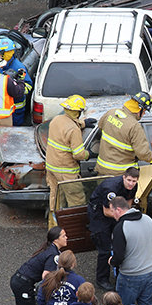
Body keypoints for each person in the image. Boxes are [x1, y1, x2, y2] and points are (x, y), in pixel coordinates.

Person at [109, 196, 152, 305]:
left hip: (131, 275)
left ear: (118, 210)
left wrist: (111, 261)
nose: (112, 215)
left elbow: (119, 257)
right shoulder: (148, 219)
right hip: (151, 271)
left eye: (112, 211)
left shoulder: (120, 228)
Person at [88, 168, 139, 290]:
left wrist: (124, 217)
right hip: (100, 215)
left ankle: (120, 273)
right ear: (123, 177)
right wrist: (124, 217)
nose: (131, 183)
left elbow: (128, 203)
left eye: (134, 181)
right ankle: (102, 279)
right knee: (105, 249)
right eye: (129, 180)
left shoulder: (133, 187)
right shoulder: (111, 188)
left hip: (117, 214)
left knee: (120, 244)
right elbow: (106, 212)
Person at [45, 94, 93, 227]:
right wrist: (89, 154)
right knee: (76, 202)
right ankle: (74, 231)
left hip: (51, 168)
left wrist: (83, 123)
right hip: (66, 172)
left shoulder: (56, 119)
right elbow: (78, 154)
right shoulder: (74, 130)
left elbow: (66, 125)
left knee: (56, 200)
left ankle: (53, 228)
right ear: (77, 112)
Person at [94, 91, 152, 175]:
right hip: (121, 176)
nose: (144, 114)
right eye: (144, 111)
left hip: (102, 171)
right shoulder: (134, 126)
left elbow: (100, 126)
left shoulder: (111, 113)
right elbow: (142, 153)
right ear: (139, 109)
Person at [0, 37, 32, 126]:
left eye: (0, 53)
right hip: (2, 110)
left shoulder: (18, 67)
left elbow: (28, 86)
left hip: (16, 109)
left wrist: (15, 88)